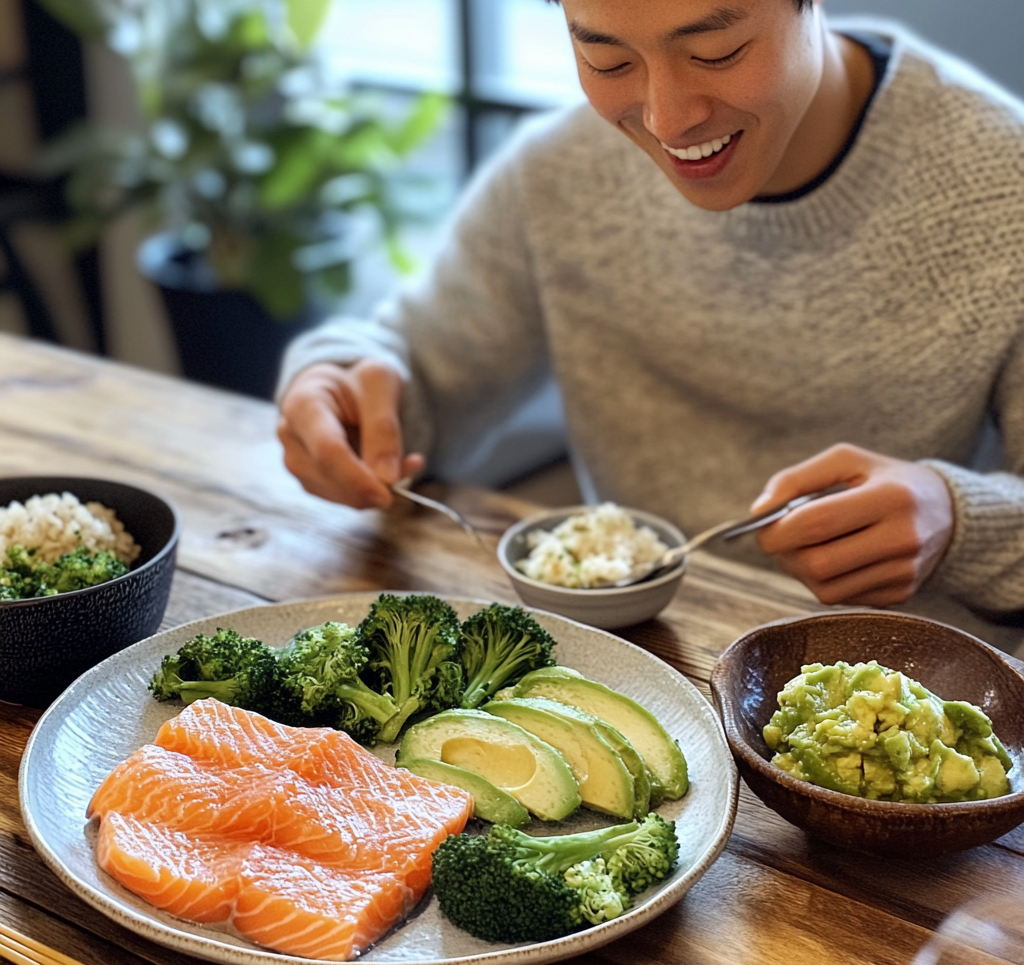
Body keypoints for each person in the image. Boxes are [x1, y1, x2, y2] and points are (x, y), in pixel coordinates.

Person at [275, 0, 1024, 647]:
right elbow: (412, 367)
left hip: (906, 701)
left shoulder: (999, 181)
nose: (668, 118)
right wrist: (339, 382)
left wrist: (961, 522)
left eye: (716, 52)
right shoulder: (558, 170)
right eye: (606, 61)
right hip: (631, 656)